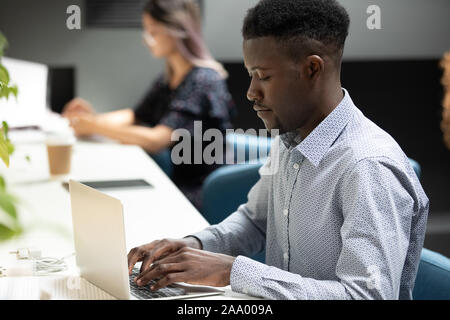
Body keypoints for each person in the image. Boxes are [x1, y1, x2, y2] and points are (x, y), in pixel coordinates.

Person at [127, 0, 429, 300]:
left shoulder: (368, 167)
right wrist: (194, 245)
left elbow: (366, 296)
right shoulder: (291, 135)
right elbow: (255, 220)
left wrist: (233, 271)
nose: (251, 92)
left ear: (312, 69)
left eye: (264, 76)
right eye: (250, 74)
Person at [62, 0, 235, 210]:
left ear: (176, 30)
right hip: (179, 180)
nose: (147, 39)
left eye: (153, 31)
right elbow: (135, 115)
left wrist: (94, 126)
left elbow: (157, 139)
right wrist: (91, 119)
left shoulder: (203, 81)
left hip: (202, 189)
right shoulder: (169, 79)